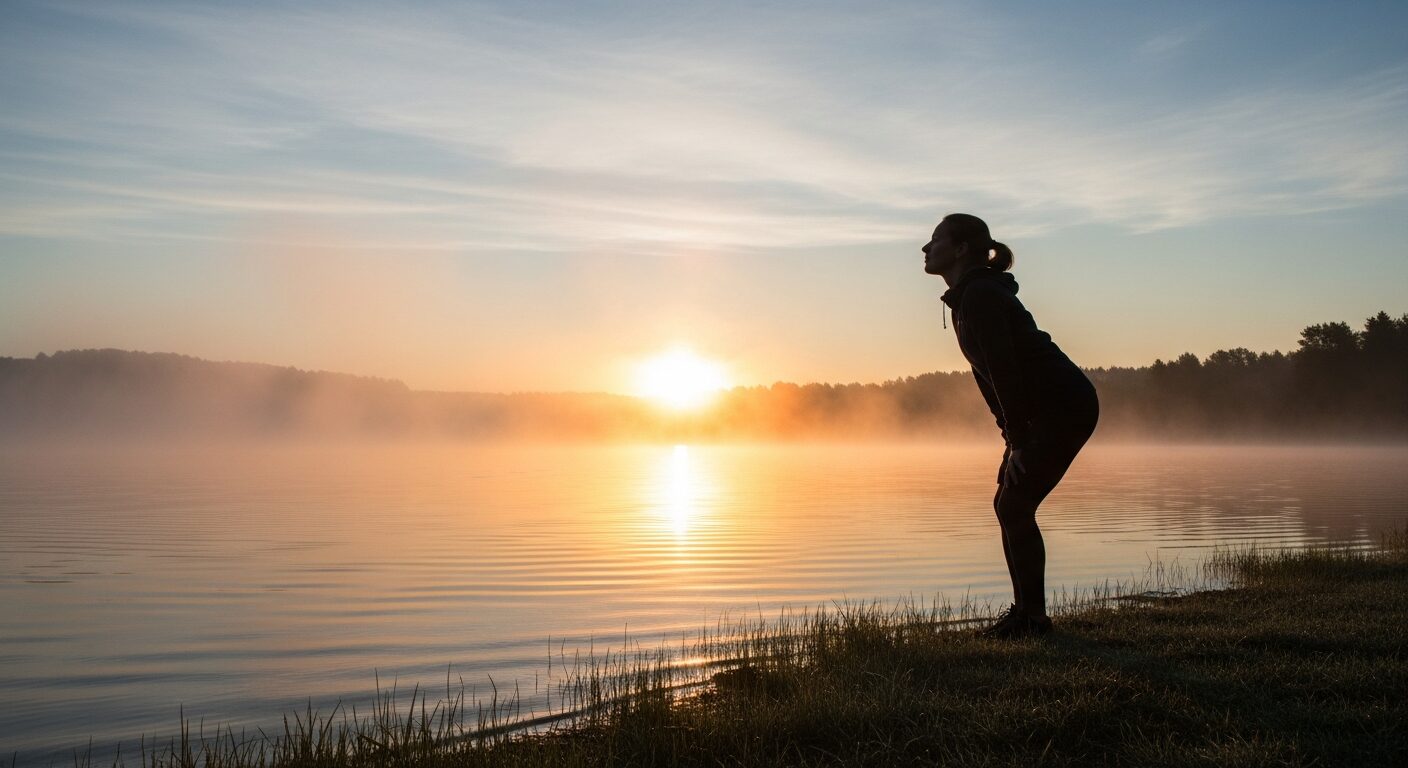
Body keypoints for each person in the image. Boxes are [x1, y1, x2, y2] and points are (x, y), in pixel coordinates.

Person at [923, 213, 1099, 639]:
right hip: (1042, 410)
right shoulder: (968, 297)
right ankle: (1025, 616)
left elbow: (1005, 372)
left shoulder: (980, 295)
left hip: (1063, 405)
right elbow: (988, 378)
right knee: (1007, 505)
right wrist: (1011, 438)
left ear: (961, 248)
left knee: (1015, 507)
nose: (926, 249)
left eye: (934, 240)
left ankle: (1033, 620)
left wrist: (1019, 439)